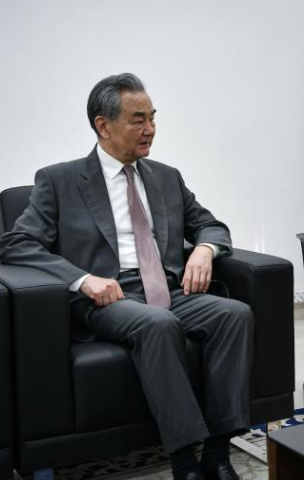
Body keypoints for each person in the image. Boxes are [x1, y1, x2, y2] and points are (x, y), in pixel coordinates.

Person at [0, 73, 253, 480]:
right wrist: (82, 279)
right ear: (103, 125)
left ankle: (218, 453)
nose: (150, 129)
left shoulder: (166, 176)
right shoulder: (60, 179)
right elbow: (16, 243)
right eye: (138, 119)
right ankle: (185, 460)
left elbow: (211, 224)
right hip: (108, 297)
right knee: (158, 323)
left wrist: (205, 249)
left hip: (168, 288)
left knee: (234, 314)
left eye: (153, 117)